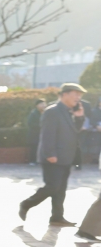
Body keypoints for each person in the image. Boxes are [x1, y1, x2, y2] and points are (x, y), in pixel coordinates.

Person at [20, 83, 87, 227]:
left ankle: (57, 217)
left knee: (61, 189)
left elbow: (75, 131)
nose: (78, 98)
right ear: (64, 94)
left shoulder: (70, 111)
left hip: (65, 156)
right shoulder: (53, 111)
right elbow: (47, 135)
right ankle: (26, 204)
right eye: (75, 94)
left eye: (80, 95)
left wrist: (80, 117)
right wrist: (50, 153)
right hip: (53, 157)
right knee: (53, 187)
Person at [26, 100, 47, 165]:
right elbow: (30, 123)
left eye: (44, 104)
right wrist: (41, 126)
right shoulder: (33, 113)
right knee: (34, 147)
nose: (43, 105)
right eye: (41, 104)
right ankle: (33, 161)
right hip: (35, 134)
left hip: (44, 133)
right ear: (37, 105)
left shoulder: (47, 112)